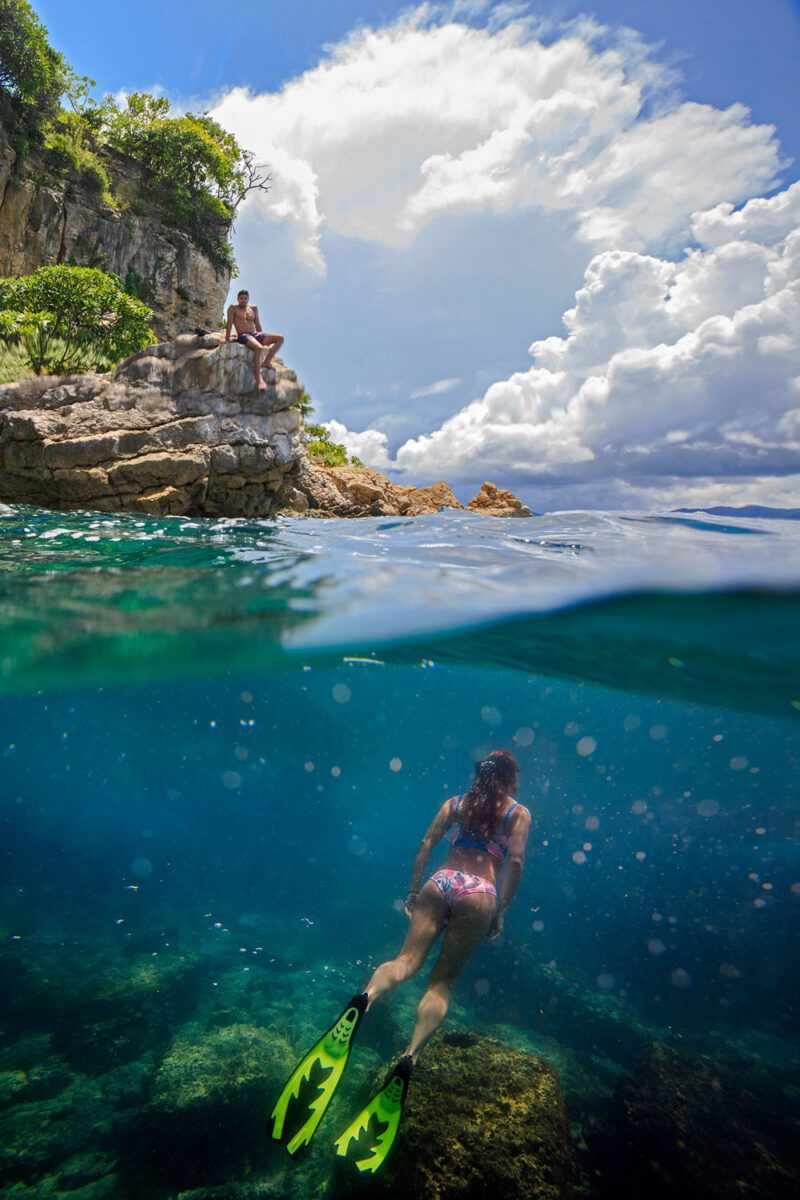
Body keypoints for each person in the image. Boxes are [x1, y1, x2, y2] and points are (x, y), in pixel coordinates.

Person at [269, 749, 531, 1175]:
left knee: (405, 961)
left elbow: (427, 843)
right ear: (512, 778)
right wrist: (501, 910)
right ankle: (409, 1055)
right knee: (440, 984)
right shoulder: (518, 813)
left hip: (440, 882)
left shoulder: (456, 804)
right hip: (479, 890)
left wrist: (413, 892)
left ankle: (366, 997)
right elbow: (515, 861)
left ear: (479, 774)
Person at [224, 289, 284, 390]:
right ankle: (258, 378)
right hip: (243, 335)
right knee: (259, 348)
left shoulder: (253, 308)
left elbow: (257, 324)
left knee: (280, 338)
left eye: (245, 298)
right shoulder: (233, 308)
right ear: (238, 299)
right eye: (241, 298)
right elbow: (229, 323)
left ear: (248, 299)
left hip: (255, 334)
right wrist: (227, 339)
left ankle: (267, 362)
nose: (243, 300)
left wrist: (264, 341)